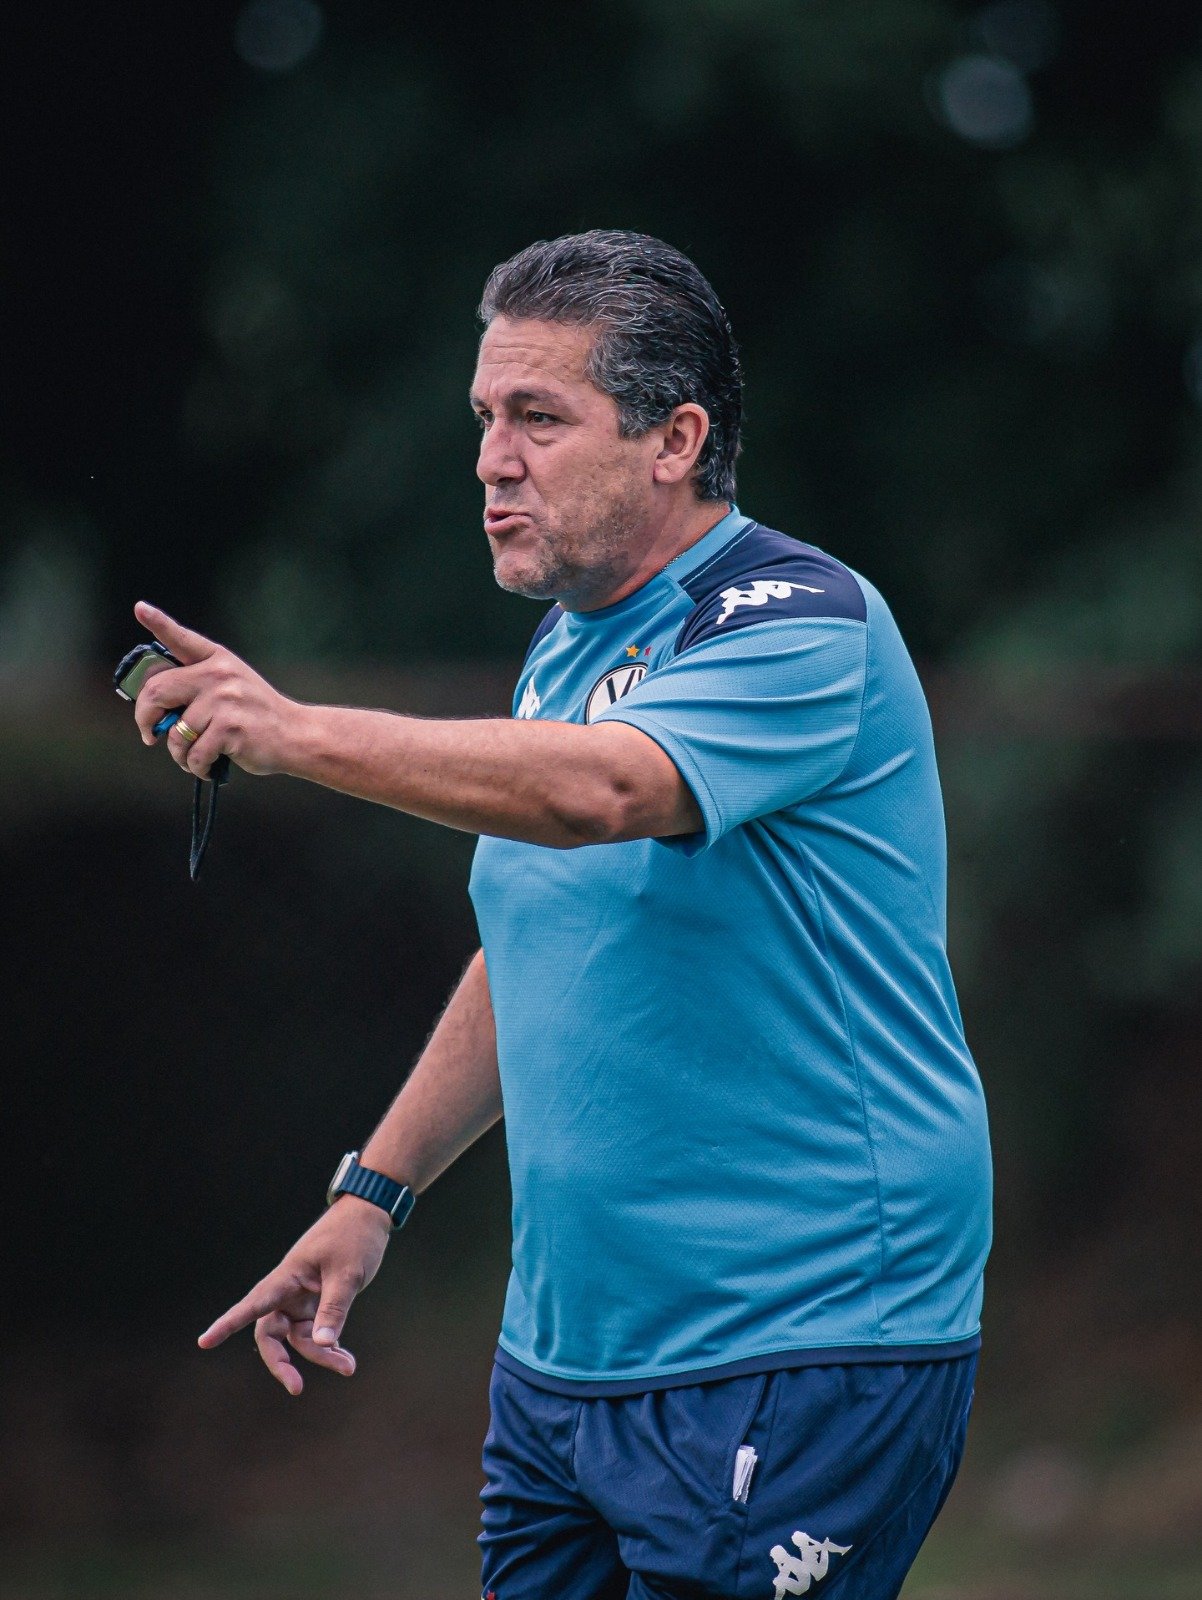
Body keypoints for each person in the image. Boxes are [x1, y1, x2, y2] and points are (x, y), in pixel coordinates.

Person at [137, 230, 992, 1600]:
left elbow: (603, 792)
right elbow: (541, 938)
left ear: (674, 441)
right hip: (569, 1361)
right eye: (485, 417)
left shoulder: (800, 622)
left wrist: (293, 732)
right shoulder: (569, 645)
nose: (492, 460)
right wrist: (373, 1193)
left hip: (801, 1336)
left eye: (539, 417)